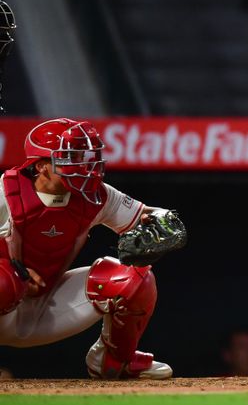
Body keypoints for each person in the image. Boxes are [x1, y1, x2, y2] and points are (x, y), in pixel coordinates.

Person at [0, 118, 174, 379]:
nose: (84, 165)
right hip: (5, 308)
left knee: (135, 278)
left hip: (48, 304)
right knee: (4, 281)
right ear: (41, 166)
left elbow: (145, 215)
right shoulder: (6, 192)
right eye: (71, 157)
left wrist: (166, 220)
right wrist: (16, 271)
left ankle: (113, 362)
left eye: (85, 155)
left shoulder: (95, 196)